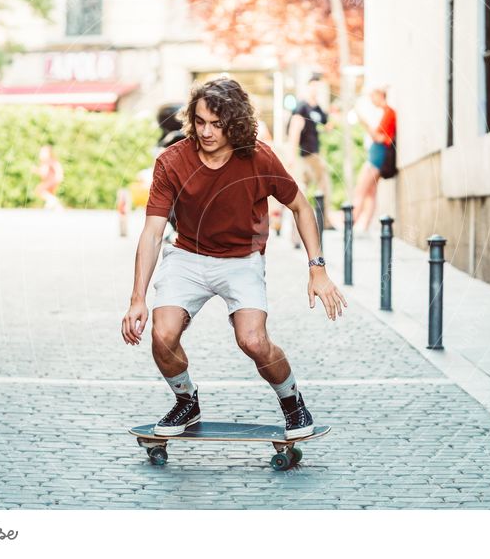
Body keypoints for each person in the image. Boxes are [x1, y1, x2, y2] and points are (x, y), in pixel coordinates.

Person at [121, 78, 347, 439]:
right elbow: (151, 233)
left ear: (236, 122)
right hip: (187, 257)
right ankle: (186, 402)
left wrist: (317, 270)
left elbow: (301, 207)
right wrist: (137, 299)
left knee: (253, 341)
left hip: (242, 260)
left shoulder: (259, 157)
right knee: (162, 336)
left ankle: (293, 403)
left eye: (217, 123)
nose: (206, 132)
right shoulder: (172, 162)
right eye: (199, 122)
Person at [288, 74, 336, 236]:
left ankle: (324, 220)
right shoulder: (302, 106)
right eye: (314, 86)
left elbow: (327, 123)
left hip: (315, 154)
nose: (316, 89)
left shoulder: (317, 109)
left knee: (322, 186)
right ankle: (297, 231)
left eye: (319, 87)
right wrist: (291, 156)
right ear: (308, 86)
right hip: (304, 154)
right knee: (301, 190)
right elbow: (294, 130)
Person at [352, 87, 396, 234]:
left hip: (377, 157)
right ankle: (363, 226)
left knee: (361, 191)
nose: (371, 99)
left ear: (380, 95)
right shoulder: (385, 113)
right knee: (370, 192)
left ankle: (350, 224)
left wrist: (363, 122)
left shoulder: (389, 112)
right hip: (376, 155)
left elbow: (378, 137)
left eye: (373, 96)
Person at [33, 144, 64, 210]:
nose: (40, 154)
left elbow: (44, 171)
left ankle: (53, 201)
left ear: (48, 154)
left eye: (42, 153)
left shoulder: (47, 161)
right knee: (49, 194)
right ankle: (57, 207)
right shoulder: (51, 160)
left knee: (39, 190)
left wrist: (36, 170)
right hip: (53, 180)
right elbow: (58, 166)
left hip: (51, 180)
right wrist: (60, 175)